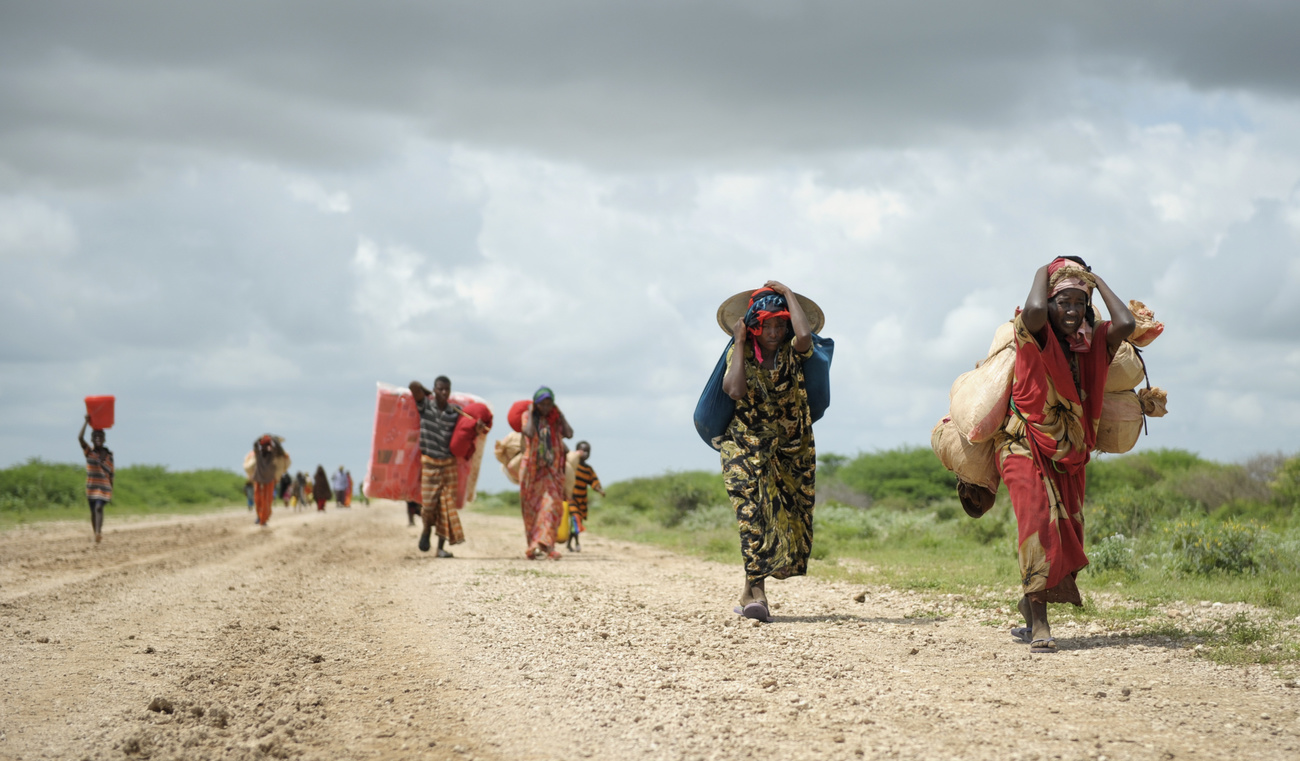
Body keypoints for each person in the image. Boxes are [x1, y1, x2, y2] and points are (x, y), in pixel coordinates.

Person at [993, 257, 1134, 654]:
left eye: (1079, 304)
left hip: (1069, 452)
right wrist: (1045, 269)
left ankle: (1029, 602)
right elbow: (1036, 308)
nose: (1071, 311)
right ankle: (1040, 623)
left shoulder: (1093, 343)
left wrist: (1094, 281)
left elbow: (1125, 324)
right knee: (1038, 524)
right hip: (1022, 442)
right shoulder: (1032, 333)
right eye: (1063, 302)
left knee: (1065, 533)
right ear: (1050, 304)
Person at [720, 281, 819, 622]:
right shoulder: (740, 352)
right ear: (753, 324)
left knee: (787, 515)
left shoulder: (794, 349)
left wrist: (790, 293)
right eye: (767, 324)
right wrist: (739, 341)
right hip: (745, 446)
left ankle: (750, 591)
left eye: (781, 323)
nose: (775, 331)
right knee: (752, 514)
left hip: (790, 448)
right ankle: (757, 591)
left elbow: (806, 338)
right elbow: (734, 390)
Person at [410, 376, 487, 556]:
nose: (444, 392)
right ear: (435, 389)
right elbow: (413, 385)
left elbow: (466, 430)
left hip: (449, 465)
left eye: (447, 389)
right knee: (428, 506)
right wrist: (426, 392)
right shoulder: (425, 406)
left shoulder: (457, 412)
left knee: (447, 506)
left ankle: (440, 549)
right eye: (440, 389)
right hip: (429, 464)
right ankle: (426, 530)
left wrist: (476, 427)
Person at [519, 387, 573, 560]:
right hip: (532, 472)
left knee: (551, 506)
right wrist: (530, 412)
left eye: (549, 404)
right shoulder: (528, 417)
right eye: (542, 404)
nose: (546, 407)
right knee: (532, 510)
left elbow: (569, 434)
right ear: (536, 404)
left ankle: (548, 546)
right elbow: (528, 432)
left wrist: (561, 415)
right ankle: (533, 545)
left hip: (551, 471)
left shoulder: (555, 419)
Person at [77, 415, 114, 543]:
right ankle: (96, 534)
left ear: (104, 439)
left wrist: (111, 490)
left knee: (99, 508)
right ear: (92, 439)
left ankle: (98, 532)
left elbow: (111, 474)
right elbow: (80, 438)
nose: (98, 439)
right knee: (93, 511)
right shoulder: (89, 452)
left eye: (100, 437)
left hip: (104, 487)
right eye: (95, 437)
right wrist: (86, 422)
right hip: (91, 487)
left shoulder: (109, 455)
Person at [566, 441, 605, 553]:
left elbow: (593, 481)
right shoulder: (572, 466)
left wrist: (600, 490)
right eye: (583, 451)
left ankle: (570, 543)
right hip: (571, 498)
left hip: (582, 500)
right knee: (576, 520)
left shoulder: (588, 469)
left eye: (588, 451)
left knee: (578, 522)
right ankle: (576, 543)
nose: (585, 454)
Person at [251, 435, 284, 526]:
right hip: (258, 480)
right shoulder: (258, 454)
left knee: (267, 501)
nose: (264, 448)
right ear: (261, 446)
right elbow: (254, 445)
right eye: (263, 446)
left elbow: (280, 450)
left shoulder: (272, 455)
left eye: (266, 445)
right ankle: (259, 517)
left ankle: (263, 519)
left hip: (269, 481)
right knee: (258, 500)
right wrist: (260, 438)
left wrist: (273, 439)